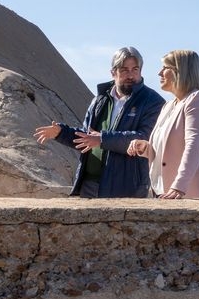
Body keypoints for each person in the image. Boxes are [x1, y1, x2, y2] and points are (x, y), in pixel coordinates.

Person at [34, 47, 164, 198]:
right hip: (89, 184)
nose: (131, 75)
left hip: (126, 187)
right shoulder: (100, 100)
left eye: (135, 69)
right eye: (124, 70)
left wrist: (102, 139)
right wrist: (61, 133)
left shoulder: (152, 102)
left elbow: (144, 137)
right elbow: (88, 138)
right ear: (113, 73)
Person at [127, 49, 199, 199]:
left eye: (165, 68)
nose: (159, 73)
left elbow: (194, 146)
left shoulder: (197, 100)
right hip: (167, 194)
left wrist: (179, 186)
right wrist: (145, 148)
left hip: (193, 195)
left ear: (181, 71)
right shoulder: (168, 106)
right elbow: (169, 151)